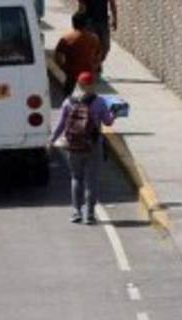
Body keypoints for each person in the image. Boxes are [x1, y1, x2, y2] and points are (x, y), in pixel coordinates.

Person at [49, 71, 115, 225]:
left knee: (76, 178)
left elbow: (61, 125)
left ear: (78, 84)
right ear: (92, 85)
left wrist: (52, 140)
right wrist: (113, 114)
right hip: (93, 145)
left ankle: (76, 212)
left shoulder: (68, 102)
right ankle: (89, 215)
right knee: (91, 180)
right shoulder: (99, 102)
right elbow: (108, 122)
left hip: (73, 146)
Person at [54, 13, 101, 96]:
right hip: (87, 74)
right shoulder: (94, 38)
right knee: (88, 98)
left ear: (73, 23)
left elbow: (58, 57)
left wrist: (63, 67)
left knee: (68, 97)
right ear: (86, 24)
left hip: (71, 74)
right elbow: (98, 57)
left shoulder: (66, 39)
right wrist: (94, 68)